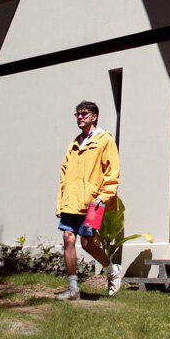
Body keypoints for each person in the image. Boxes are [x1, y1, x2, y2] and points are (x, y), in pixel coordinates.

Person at [55, 100, 121, 301]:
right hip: (71, 202)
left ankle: (112, 270)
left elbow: (112, 173)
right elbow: (64, 175)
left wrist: (103, 197)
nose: (80, 117)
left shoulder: (105, 141)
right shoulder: (73, 145)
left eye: (84, 114)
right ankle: (73, 289)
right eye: (78, 114)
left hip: (94, 203)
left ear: (94, 117)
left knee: (87, 244)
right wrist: (60, 203)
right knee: (68, 239)